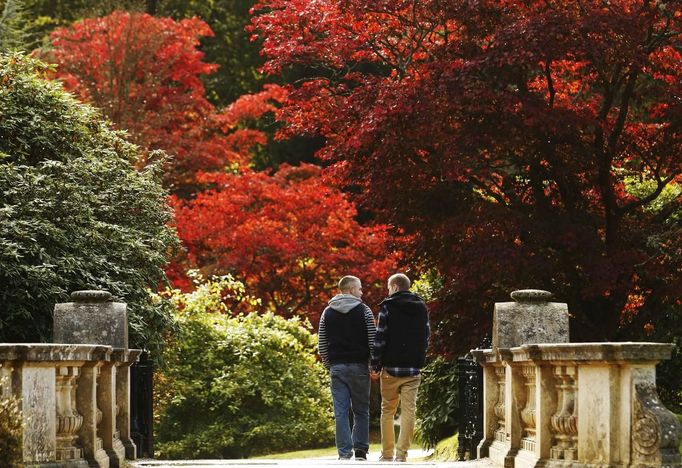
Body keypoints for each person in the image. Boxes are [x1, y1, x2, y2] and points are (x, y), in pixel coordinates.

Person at [371, 273, 430, 463]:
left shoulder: (387, 307)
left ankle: (387, 453)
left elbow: (380, 338)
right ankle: (402, 454)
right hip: (413, 369)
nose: (388, 291)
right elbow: (426, 336)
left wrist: (375, 364)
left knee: (387, 411)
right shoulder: (421, 307)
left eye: (389, 287)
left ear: (395, 287)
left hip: (390, 368)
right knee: (409, 411)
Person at [318, 275, 376, 461]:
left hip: (337, 367)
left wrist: (329, 364)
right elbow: (372, 340)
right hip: (359, 366)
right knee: (361, 410)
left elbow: (322, 343)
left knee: (340, 412)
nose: (362, 293)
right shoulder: (364, 311)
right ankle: (360, 450)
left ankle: (344, 453)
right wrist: (373, 363)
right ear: (351, 290)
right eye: (360, 289)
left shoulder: (327, 312)